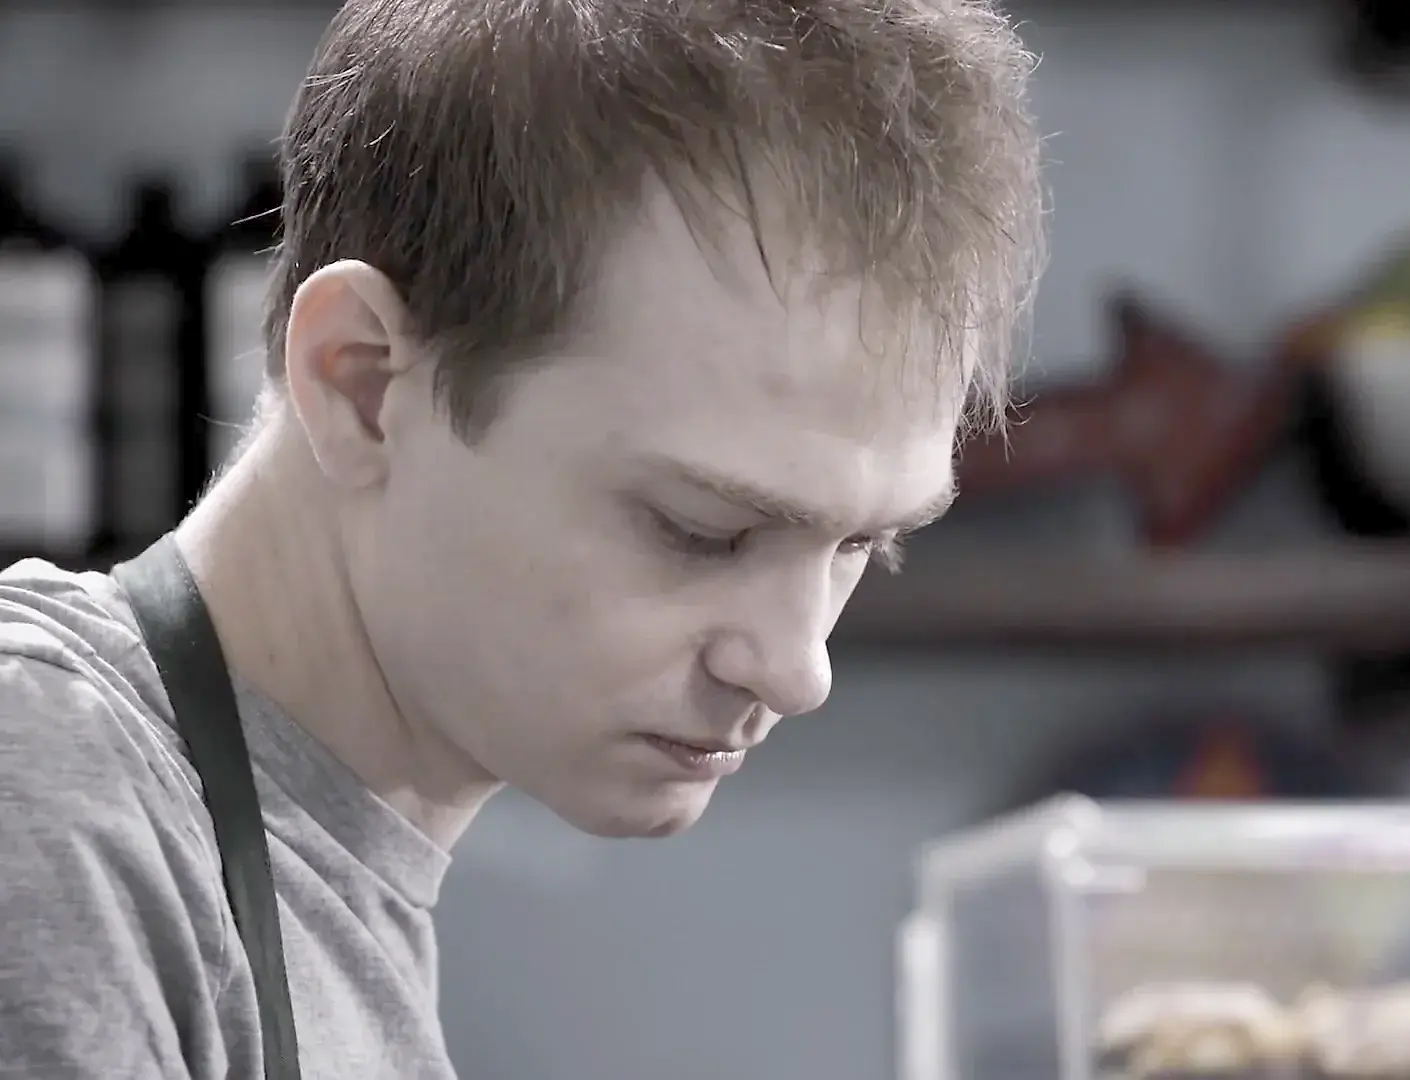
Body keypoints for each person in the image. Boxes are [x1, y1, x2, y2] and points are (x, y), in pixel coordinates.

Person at [0, 1, 1045, 1076]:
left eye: (863, 545)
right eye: (702, 530)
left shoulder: (321, 877)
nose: (796, 670)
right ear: (362, 385)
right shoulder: (47, 806)